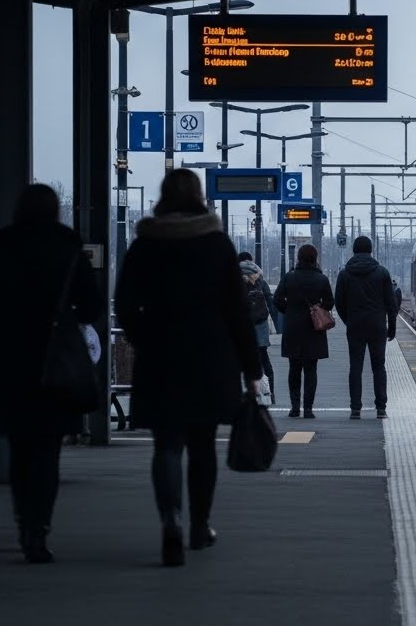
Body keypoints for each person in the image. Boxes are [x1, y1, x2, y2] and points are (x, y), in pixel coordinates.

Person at [0, 183, 102, 564]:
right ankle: (39, 530)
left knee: (22, 450)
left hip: (12, 359)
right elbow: (91, 306)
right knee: (48, 452)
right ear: (56, 211)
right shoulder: (69, 244)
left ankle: (23, 520)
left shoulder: (5, 244)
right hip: (55, 361)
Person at [114, 169, 261, 567]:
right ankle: (200, 525)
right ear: (198, 196)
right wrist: (252, 367)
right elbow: (237, 312)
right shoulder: (216, 244)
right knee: (202, 446)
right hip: (211, 360)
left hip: (160, 359)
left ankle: (170, 522)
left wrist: (146, 338)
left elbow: (124, 305)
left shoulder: (146, 243)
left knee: (166, 445)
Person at [334, 235, 398, 420]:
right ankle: (381, 408)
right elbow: (391, 304)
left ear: (354, 250)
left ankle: (355, 409)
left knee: (356, 367)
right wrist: (391, 327)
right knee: (379, 366)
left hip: (355, 325)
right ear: (370, 250)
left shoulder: (345, 274)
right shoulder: (382, 273)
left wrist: (349, 320)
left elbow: (339, 302)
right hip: (378, 325)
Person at [274, 244, 333, 418]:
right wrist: (318, 308)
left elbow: (277, 299)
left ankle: (294, 407)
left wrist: (289, 311)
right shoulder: (321, 279)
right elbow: (330, 302)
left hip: (292, 327)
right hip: (314, 328)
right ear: (315, 259)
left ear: (299, 258)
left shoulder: (289, 277)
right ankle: (308, 409)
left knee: (294, 367)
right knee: (311, 368)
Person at [238, 252, 282, 403]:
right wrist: (278, 326)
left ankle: (243, 395)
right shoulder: (260, 280)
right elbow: (271, 303)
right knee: (264, 360)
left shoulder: (233, 280)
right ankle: (271, 394)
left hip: (242, 328)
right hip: (261, 326)